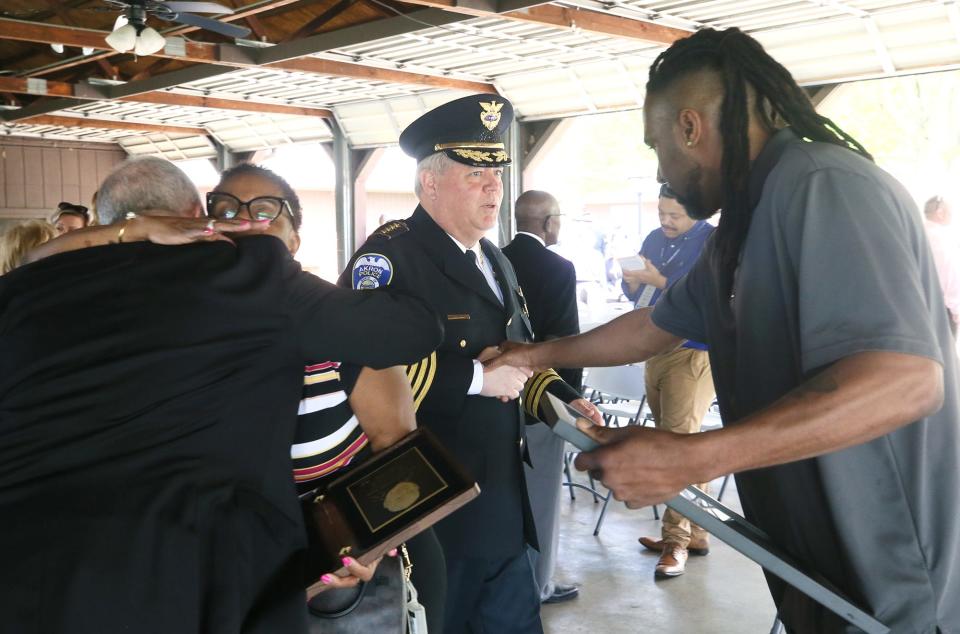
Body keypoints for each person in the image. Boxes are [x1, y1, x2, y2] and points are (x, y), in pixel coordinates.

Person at [489, 27, 959, 634]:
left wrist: (693, 455)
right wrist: (538, 352)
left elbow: (906, 383)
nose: (662, 170)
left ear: (690, 128)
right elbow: (653, 327)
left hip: (894, 582)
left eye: (658, 146)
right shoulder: (743, 222)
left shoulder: (823, 186)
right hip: (818, 570)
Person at [0, 156, 443, 634]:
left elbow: (395, 440)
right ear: (198, 217)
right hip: (203, 584)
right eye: (227, 211)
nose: (246, 225)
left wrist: (361, 542)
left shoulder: (21, 294)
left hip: (34, 581)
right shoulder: (247, 282)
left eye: (264, 212)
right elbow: (415, 330)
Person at [339, 94, 601, 634]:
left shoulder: (494, 257)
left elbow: (515, 353)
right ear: (429, 183)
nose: (494, 188)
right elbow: (356, 365)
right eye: (473, 175)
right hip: (433, 506)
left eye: (496, 174)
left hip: (504, 501)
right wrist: (478, 378)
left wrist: (559, 397)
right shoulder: (389, 259)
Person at [622, 184, 715, 578]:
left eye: (674, 215)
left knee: (677, 445)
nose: (666, 221)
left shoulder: (713, 241)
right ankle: (695, 532)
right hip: (654, 346)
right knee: (673, 439)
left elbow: (707, 297)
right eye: (662, 213)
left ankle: (675, 541)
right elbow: (639, 294)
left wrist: (658, 281)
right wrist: (632, 283)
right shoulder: (654, 239)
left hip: (693, 351)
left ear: (696, 209)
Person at [502, 190, 581, 605]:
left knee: (504, 498)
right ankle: (539, 585)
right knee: (542, 501)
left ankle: (509, 581)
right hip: (543, 401)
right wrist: (569, 403)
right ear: (549, 222)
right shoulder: (559, 268)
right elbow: (564, 344)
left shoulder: (495, 261)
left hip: (496, 397)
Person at [922, 195, 960, 332]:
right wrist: (956, 309)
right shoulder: (941, 239)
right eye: (950, 211)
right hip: (942, 310)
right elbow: (950, 275)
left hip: (920, 306)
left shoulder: (918, 233)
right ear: (940, 212)